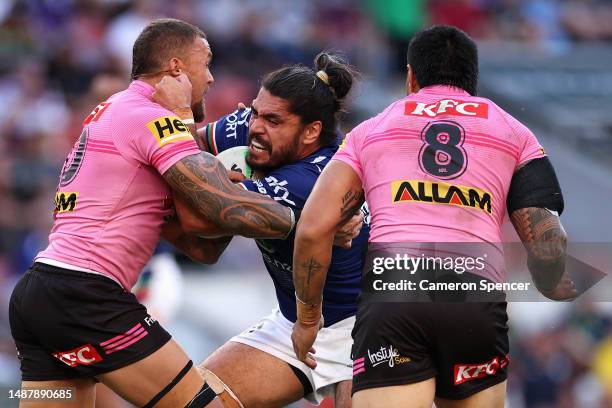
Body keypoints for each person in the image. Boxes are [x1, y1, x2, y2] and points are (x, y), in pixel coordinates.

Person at [8, 18, 297, 408]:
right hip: (87, 296)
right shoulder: (149, 116)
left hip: (42, 295)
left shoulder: (116, 111)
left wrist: (235, 173)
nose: (210, 78)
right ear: (176, 68)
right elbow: (225, 206)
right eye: (205, 62)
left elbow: (203, 248)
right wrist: (305, 216)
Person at [290, 25, 576, 408]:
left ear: (411, 76)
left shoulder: (370, 130)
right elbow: (548, 240)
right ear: (472, 80)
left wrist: (308, 320)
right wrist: (549, 281)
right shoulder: (514, 131)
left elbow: (312, 228)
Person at [173, 52, 369, 407]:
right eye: (255, 112)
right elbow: (179, 147)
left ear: (311, 131)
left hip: (361, 331)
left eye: (273, 120)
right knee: (193, 402)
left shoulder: (316, 178)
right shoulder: (256, 129)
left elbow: (201, 218)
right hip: (293, 323)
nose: (255, 128)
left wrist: (212, 180)